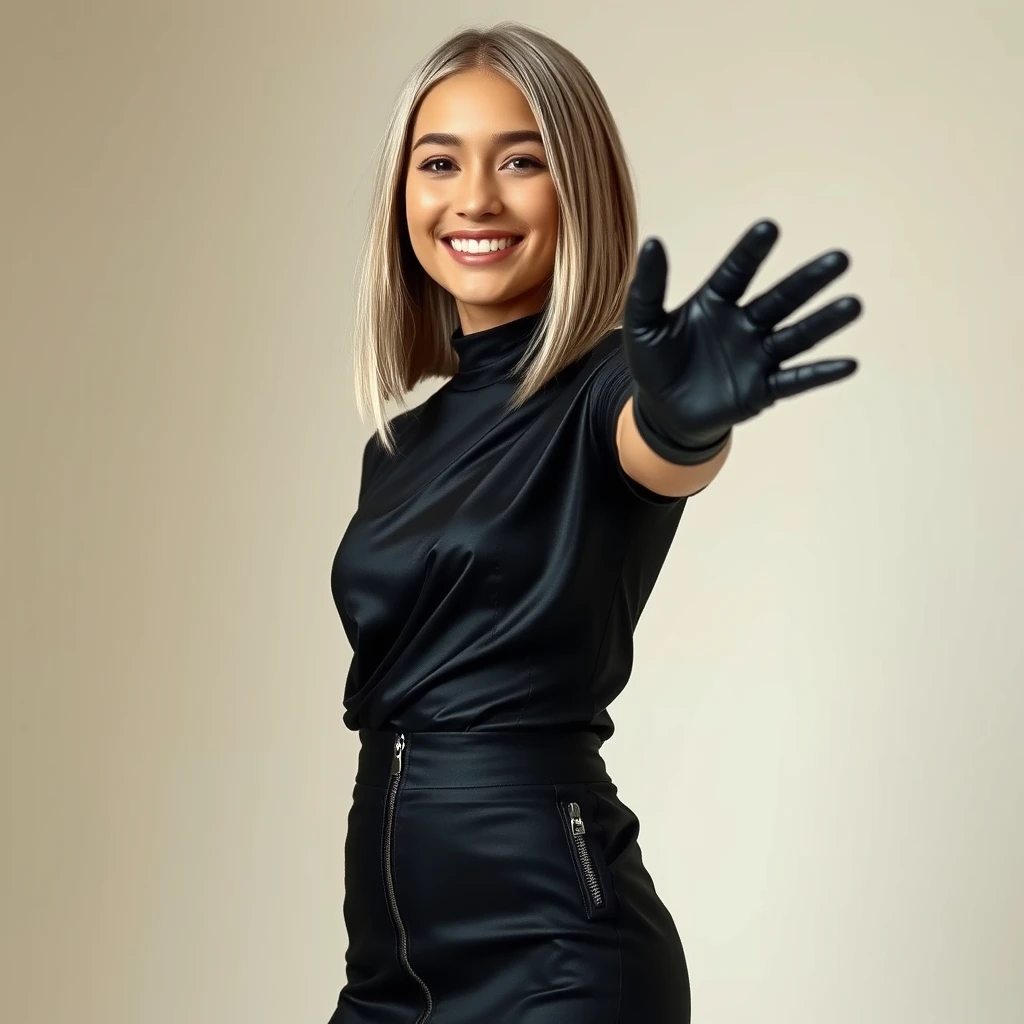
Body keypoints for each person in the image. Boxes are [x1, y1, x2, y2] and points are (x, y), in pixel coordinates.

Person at [327, 21, 861, 1024]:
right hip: (391, 967)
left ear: (580, 187)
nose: (474, 198)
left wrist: (685, 414)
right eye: (439, 162)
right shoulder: (398, 445)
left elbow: (660, 450)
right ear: (403, 193)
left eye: (520, 160)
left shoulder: (607, 389)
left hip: (558, 959)